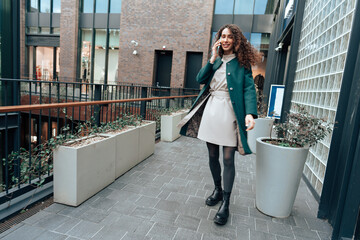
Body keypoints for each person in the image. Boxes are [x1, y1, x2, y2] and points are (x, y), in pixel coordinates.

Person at [179, 24, 261, 225]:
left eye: (229, 37)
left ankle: (226, 202)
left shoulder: (242, 64)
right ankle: (217, 189)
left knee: (228, 159)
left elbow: (249, 89)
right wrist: (212, 58)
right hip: (212, 111)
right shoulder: (215, 61)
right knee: (213, 155)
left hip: (231, 113)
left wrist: (250, 114)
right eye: (222, 36)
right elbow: (200, 78)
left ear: (236, 41)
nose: (225, 40)